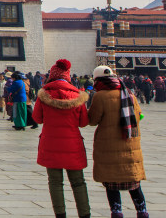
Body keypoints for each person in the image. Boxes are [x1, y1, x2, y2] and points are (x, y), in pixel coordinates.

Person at [32, 59, 91, 218]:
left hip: (50, 144)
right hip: (73, 144)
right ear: (68, 76)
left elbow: (37, 118)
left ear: (52, 75)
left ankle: (60, 214)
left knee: (55, 182)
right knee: (78, 182)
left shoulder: (44, 94)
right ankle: (85, 214)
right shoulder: (77, 95)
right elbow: (84, 122)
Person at [88, 65, 149, 218]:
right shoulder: (129, 94)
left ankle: (117, 211)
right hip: (130, 144)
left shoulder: (100, 96)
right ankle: (142, 211)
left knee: (112, 182)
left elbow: (92, 120)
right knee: (134, 183)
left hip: (109, 146)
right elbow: (139, 116)